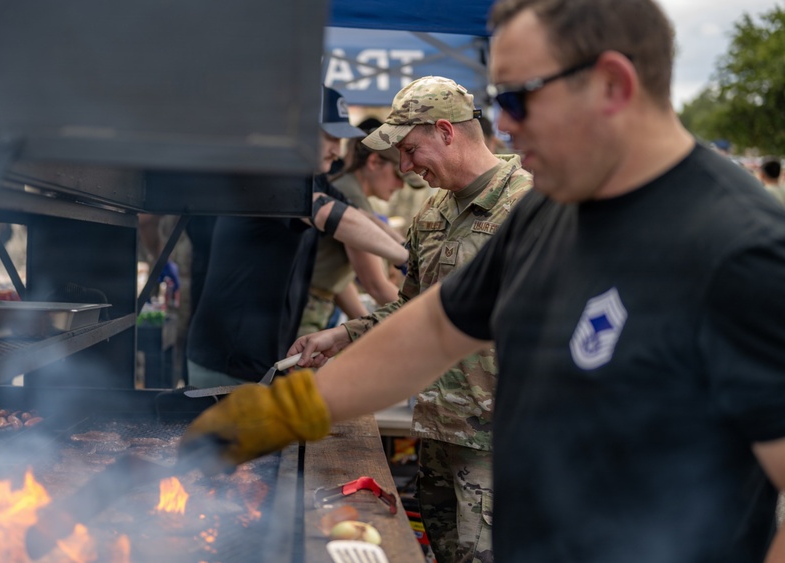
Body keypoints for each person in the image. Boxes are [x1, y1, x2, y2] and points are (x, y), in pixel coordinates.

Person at [181, 1, 785, 561]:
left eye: (518, 99)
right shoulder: (548, 211)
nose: (503, 126)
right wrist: (290, 410)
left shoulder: (741, 250)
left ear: (611, 85)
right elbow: (433, 328)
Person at [290, 76, 533, 563]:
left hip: (498, 442)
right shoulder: (433, 212)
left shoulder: (529, 205)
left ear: (446, 131)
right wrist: (344, 334)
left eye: (409, 150)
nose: (405, 167)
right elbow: (412, 308)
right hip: (438, 435)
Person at [185, 87, 410, 388]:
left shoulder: (311, 178)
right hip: (228, 358)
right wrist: (406, 258)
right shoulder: (272, 172)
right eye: (331, 138)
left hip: (259, 358)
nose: (338, 150)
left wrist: (409, 249)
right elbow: (332, 216)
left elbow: (360, 215)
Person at [297, 130, 406, 337]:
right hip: (306, 305)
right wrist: (428, 316)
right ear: (374, 162)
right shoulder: (352, 194)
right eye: (398, 175)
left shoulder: (349, 189)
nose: (401, 185)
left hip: (313, 304)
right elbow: (376, 285)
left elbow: (338, 281)